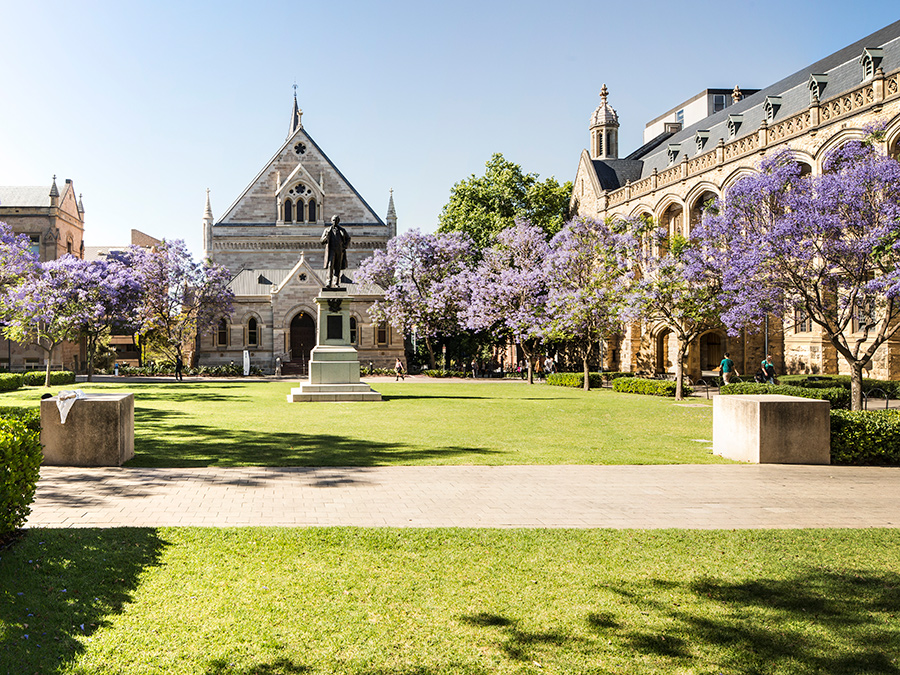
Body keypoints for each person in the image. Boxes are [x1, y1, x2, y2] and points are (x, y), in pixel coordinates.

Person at [321, 215, 351, 288]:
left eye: (337, 220)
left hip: (339, 250)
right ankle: (328, 282)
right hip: (331, 250)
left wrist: (345, 246)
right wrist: (326, 237)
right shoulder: (327, 230)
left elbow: (348, 238)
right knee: (330, 266)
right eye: (334, 220)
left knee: (338, 267)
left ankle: (336, 283)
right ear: (331, 221)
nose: (335, 221)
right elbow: (321, 241)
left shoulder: (342, 230)